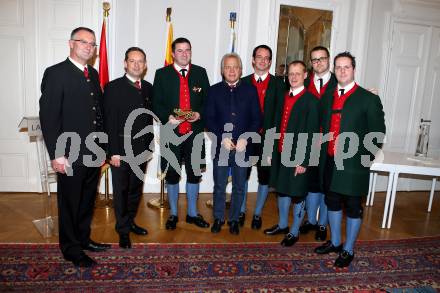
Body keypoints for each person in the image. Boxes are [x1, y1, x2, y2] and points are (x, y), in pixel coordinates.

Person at [39, 27, 110, 267]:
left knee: (87, 200)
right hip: (69, 154)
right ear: (71, 43)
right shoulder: (56, 73)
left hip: (93, 153)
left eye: (92, 44)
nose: (89, 47)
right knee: (69, 203)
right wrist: (56, 154)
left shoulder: (92, 72)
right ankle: (70, 249)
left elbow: (97, 115)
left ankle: (83, 239)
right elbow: (49, 116)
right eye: (84, 42)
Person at [314, 51, 385, 267]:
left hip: (354, 164)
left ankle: (348, 249)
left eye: (346, 67)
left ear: (354, 69)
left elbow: (377, 133)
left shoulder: (368, 98)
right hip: (329, 160)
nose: (342, 71)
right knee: (332, 201)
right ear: (334, 71)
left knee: (353, 206)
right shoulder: (327, 96)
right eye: (338, 67)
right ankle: (335, 242)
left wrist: (363, 159)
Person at [152, 37, 210, 230]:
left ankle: (193, 213)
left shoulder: (201, 73)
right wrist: (167, 117)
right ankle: (174, 214)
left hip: (194, 133)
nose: (184, 54)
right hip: (171, 133)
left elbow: (208, 101)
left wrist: (200, 113)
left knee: (194, 174)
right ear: (173, 53)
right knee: (172, 175)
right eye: (180, 50)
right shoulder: (161, 74)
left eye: (188, 50)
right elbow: (155, 103)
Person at [204, 53, 261, 235]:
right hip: (221, 148)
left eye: (235, 67)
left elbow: (257, 119)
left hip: (243, 149)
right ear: (222, 70)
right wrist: (221, 138)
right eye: (227, 67)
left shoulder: (251, 91)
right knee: (219, 186)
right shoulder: (213, 91)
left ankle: (235, 220)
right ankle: (219, 218)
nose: (231, 70)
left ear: (241, 70)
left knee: (239, 186)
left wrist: (246, 138)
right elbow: (209, 119)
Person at [103, 47, 153, 249]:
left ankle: (130, 221)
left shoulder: (148, 87)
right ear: (125, 63)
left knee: (135, 190)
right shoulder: (113, 87)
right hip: (121, 152)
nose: (136, 65)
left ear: (145, 65)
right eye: (132, 61)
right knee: (122, 191)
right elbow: (109, 121)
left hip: (142, 149)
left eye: (140, 61)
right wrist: (112, 152)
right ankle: (122, 230)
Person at [266, 61, 319, 246]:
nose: (294, 77)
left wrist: (304, 162)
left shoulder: (311, 101)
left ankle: (294, 231)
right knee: (282, 190)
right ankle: (282, 224)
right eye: (290, 74)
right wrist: (271, 150)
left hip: (298, 157)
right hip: (281, 153)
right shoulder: (282, 96)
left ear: (306, 75)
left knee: (297, 193)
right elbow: (275, 125)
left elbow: (313, 134)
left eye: (298, 73)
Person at [239, 45, 285, 229]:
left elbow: (283, 113)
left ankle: (257, 213)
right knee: (242, 175)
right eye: (259, 57)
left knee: (264, 178)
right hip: (246, 138)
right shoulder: (241, 82)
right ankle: (241, 210)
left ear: (270, 61)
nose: (263, 60)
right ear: (253, 59)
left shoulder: (280, 84)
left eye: (267, 58)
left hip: (268, 140)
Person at [299, 46, 337, 241]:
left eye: (322, 59)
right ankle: (311, 221)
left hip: (331, 143)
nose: (318, 62)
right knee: (311, 182)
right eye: (314, 60)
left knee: (326, 184)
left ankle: (322, 224)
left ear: (328, 60)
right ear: (311, 63)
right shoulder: (303, 83)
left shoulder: (339, 83)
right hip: (309, 141)